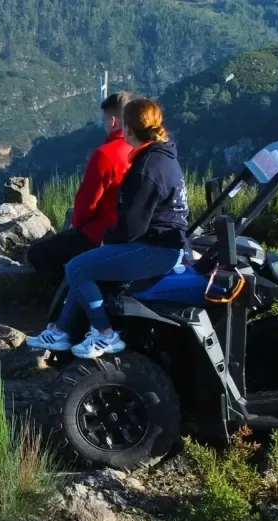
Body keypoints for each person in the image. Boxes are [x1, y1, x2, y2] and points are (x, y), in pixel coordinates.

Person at [26, 97, 189, 359]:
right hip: (163, 244)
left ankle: (105, 334)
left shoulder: (147, 168)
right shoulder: (161, 155)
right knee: (82, 267)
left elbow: (132, 226)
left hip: (154, 248)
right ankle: (62, 331)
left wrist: (107, 241)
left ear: (127, 128)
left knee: (77, 267)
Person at [26, 91, 135, 287]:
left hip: (102, 233)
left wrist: (76, 225)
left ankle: (68, 299)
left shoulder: (105, 155)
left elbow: (87, 204)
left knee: (38, 253)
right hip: (133, 232)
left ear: (112, 120)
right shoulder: (143, 148)